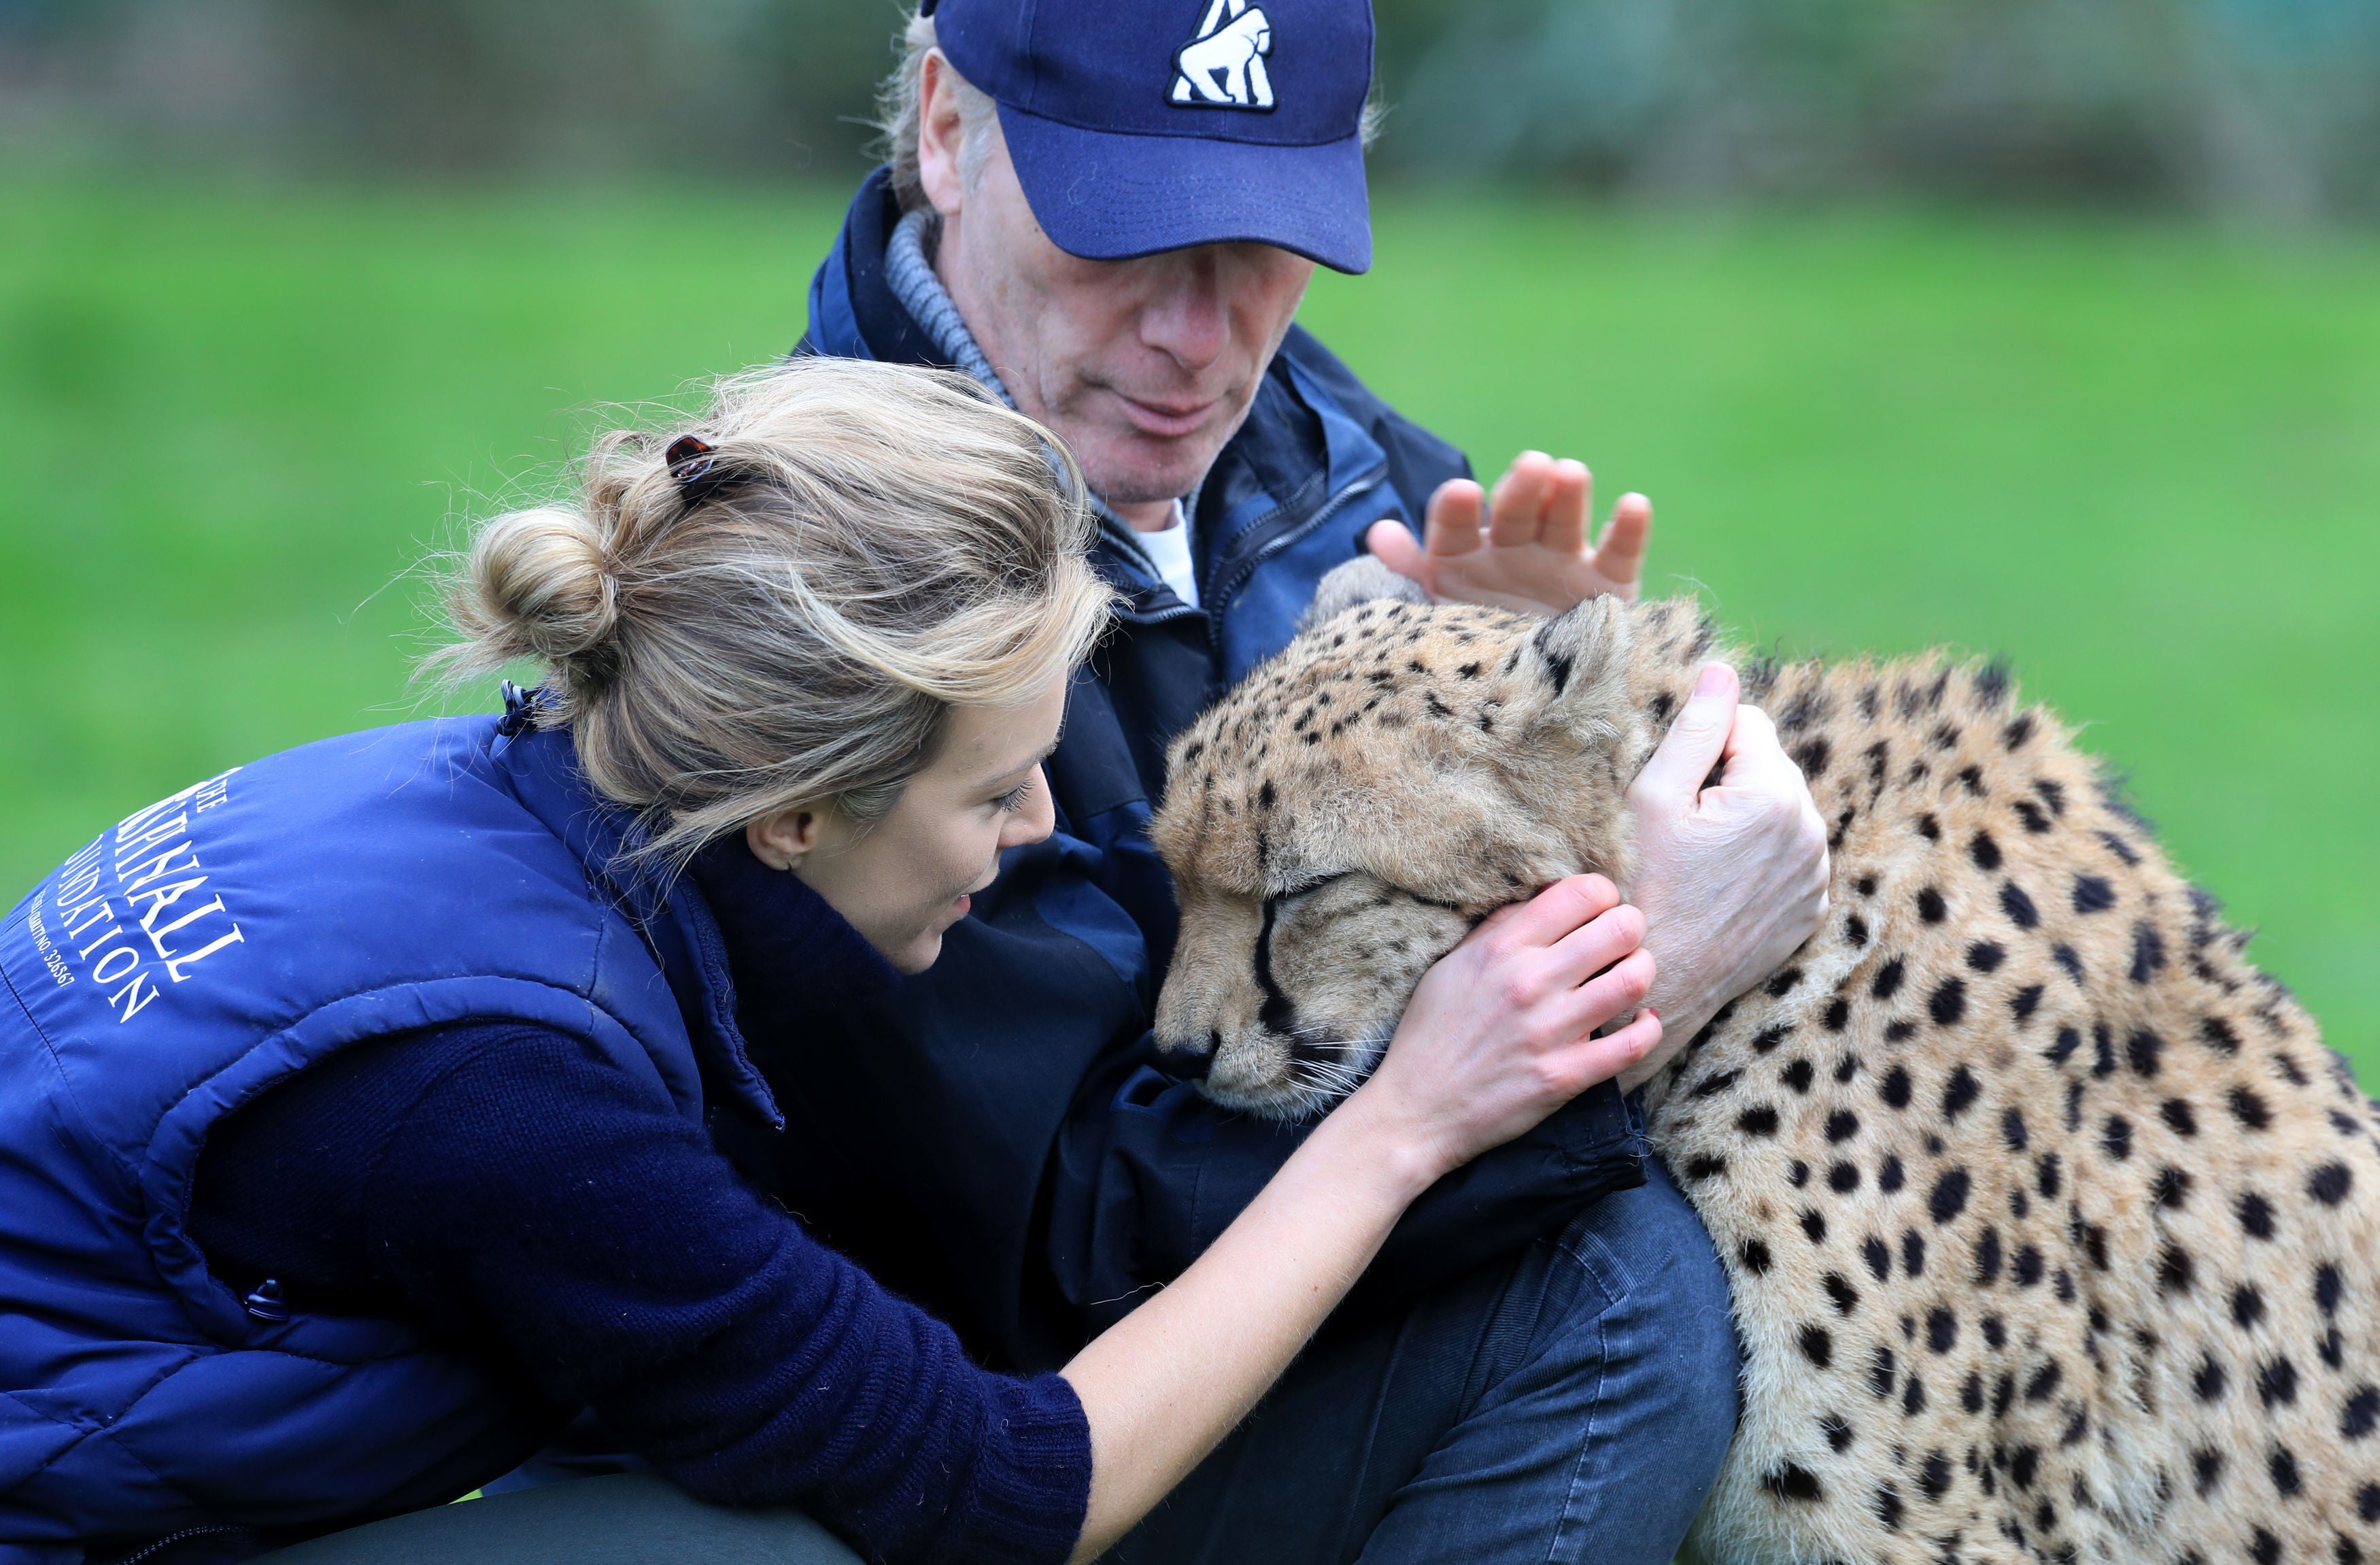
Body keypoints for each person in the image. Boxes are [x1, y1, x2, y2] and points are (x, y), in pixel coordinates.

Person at [0, 359, 1665, 1565]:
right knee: (774, 1552)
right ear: (797, 815)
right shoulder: (503, 1096)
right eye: (995, 790)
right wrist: (1403, 1128)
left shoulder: (507, 798)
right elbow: (1003, 1494)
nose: (1038, 827)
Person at [719, 1, 1833, 1560]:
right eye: (1125, 228)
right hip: (991, 1431)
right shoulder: (825, 582)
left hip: (1233, 1342)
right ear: (947, 130)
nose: (1200, 335)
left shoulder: (1347, 458)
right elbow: (1053, 1250)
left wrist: (1567, 738)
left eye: (1263, 239)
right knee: (1613, 1289)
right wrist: (1643, 976)